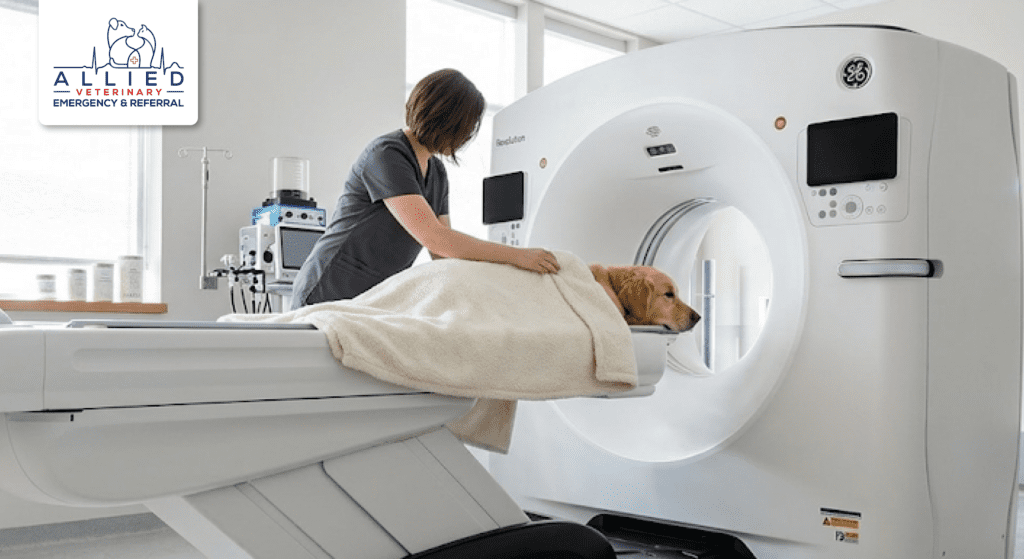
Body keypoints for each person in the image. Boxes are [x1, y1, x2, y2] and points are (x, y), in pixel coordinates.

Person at [290, 69, 560, 310]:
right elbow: (435, 238)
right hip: (330, 288)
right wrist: (518, 257)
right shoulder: (387, 155)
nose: (466, 139)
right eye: (466, 129)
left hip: (371, 298)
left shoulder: (437, 173)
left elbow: (442, 256)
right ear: (449, 123)